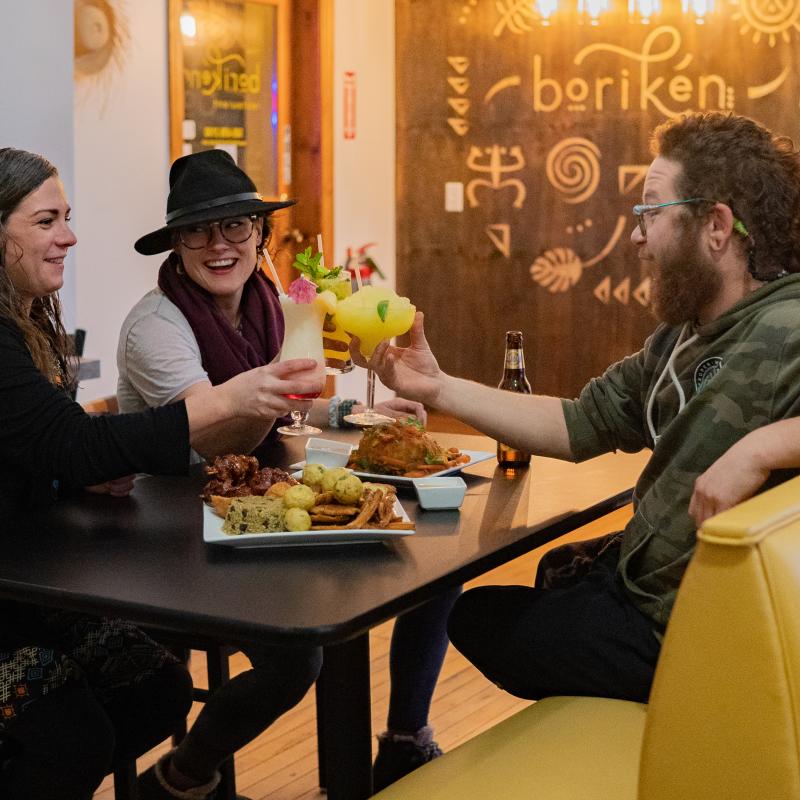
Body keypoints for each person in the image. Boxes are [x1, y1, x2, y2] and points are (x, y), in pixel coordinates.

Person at [351, 111, 800, 705]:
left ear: (716, 226)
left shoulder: (786, 325)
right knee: (553, 572)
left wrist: (761, 446)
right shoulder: (682, 335)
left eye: (651, 212)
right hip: (649, 588)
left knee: (481, 617)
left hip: (693, 634)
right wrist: (436, 389)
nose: (637, 236)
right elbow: (581, 422)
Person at [117, 148, 459, 795]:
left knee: (433, 566)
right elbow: (213, 436)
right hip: (172, 543)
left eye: (236, 225)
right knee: (302, 651)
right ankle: (182, 775)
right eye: (198, 230)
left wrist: (360, 409)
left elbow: (293, 409)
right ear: (177, 243)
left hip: (258, 518)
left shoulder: (268, 304)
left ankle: (406, 741)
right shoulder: (155, 327)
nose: (219, 244)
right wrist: (278, 389)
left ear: (259, 233)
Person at [0, 147, 324, 800]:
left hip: (40, 576)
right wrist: (233, 398)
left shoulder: (29, 318)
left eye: (66, 218)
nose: (69, 235)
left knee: (159, 690)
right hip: (28, 590)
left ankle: (165, 786)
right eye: (45, 221)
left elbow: (42, 449)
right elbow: (65, 442)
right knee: (75, 734)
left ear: (260, 235)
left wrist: (73, 478)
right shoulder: (150, 326)